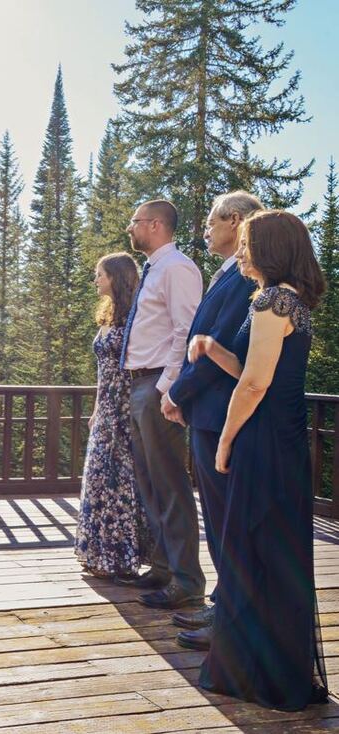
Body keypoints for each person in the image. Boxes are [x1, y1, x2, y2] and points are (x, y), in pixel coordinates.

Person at [193, 210, 328, 711]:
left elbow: (254, 385)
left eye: (249, 243)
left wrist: (225, 440)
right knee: (271, 549)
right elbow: (249, 367)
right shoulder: (285, 299)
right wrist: (210, 347)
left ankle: (258, 675)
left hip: (264, 438)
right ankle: (271, 668)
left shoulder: (274, 300)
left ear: (270, 248)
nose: (242, 252)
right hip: (283, 438)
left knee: (256, 550)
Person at [161, 191, 263, 651]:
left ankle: (231, 617)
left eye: (211, 220)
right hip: (206, 412)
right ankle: (224, 605)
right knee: (218, 516)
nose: (204, 227)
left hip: (219, 412)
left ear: (236, 220)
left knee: (224, 519)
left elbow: (217, 344)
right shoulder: (229, 274)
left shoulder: (245, 277)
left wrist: (176, 393)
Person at [115, 200, 205, 609]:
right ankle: (164, 567)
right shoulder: (154, 269)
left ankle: (187, 580)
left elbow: (186, 331)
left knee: (170, 484)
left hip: (156, 386)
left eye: (134, 222)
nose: (129, 229)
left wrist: (168, 388)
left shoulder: (177, 268)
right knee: (149, 482)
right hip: (139, 384)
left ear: (154, 225)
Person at [74, 253, 149, 578]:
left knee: (120, 482)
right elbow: (101, 372)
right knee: (98, 478)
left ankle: (119, 558)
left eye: (100, 275)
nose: (96, 280)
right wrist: (94, 410)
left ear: (115, 278)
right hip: (105, 406)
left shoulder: (136, 315)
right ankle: (95, 554)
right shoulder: (107, 314)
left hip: (125, 405)